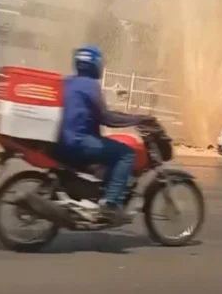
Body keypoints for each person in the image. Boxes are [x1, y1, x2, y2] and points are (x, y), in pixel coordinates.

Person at [57, 45, 151, 224]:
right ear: (95, 64)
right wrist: (137, 120)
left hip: (63, 140)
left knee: (108, 148)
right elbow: (107, 118)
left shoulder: (68, 81)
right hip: (79, 141)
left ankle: (98, 192)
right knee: (126, 154)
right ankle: (110, 204)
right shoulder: (90, 86)